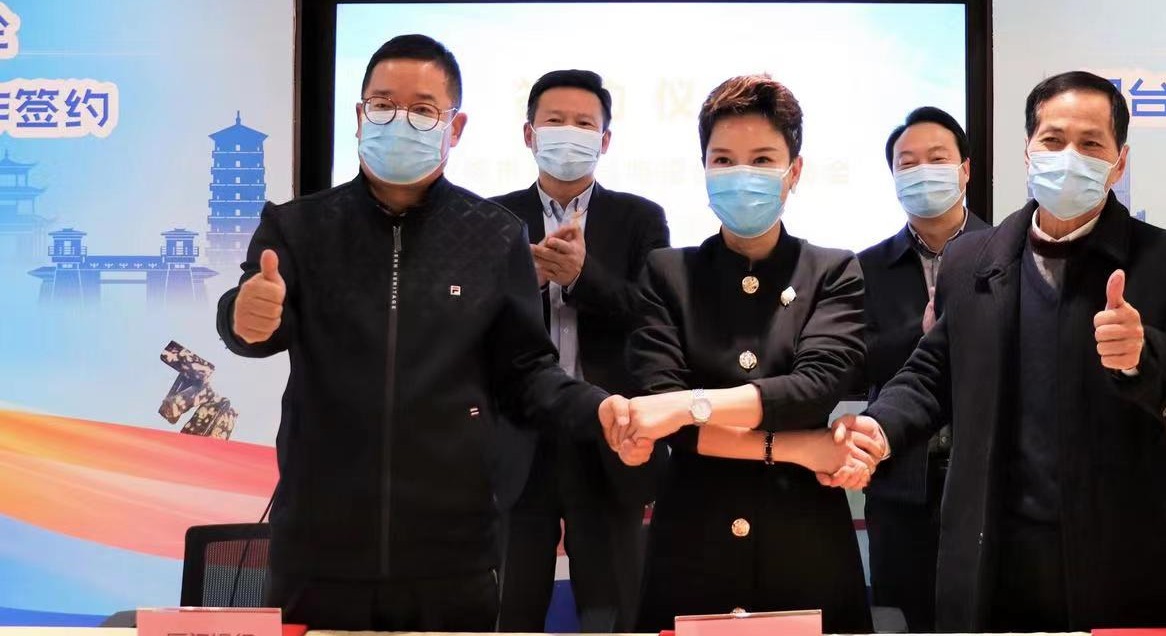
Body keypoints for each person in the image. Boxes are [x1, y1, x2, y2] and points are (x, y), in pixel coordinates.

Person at [216, 35, 637, 632]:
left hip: (453, 554)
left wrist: (598, 409)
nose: (400, 121)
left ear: (454, 127)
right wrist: (242, 317)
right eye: (383, 105)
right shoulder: (299, 226)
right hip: (317, 546)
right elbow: (256, 319)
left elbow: (526, 372)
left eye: (422, 110)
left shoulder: (493, 234)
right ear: (359, 116)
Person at [838, 71, 1166, 633]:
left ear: (1119, 162)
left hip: (1126, 561)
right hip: (995, 565)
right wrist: (880, 427)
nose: (1069, 157)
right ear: (1028, 150)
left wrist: (1144, 356)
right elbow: (932, 372)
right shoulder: (973, 259)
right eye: (1053, 140)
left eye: (1091, 143)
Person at [618, 74, 878, 633]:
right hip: (693, 538)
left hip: (804, 539)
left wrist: (688, 405)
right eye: (724, 160)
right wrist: (802, 448)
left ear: (794, 171)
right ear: (704, 168)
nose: (742, 174)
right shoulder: (667, 273)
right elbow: (666, 418)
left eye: (762, 160)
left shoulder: (833, 271)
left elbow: (813, 388)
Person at [490, 70, 671, 632]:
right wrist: (526, 281)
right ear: (529, 134)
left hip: (609, 435)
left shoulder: (640, 218)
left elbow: (654, 316)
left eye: (584, 123)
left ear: (605, 140)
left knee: (612, 612)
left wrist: (581, 276)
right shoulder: (492, 218)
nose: (569, 132)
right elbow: (473, 325)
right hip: (517, 437)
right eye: (555, 121)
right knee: (509, 609)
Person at [855, 106, 988, 633]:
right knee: (902, 618)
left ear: (965, 170)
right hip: (902, 484)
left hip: (988, 482)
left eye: (937, 158)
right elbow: (853, 363)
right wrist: (926, 335)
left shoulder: (1008, 252)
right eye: (907, 163)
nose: (922, 171)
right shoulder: (863, 267)